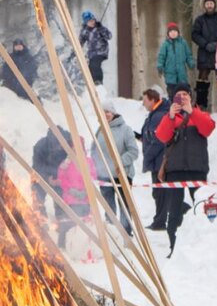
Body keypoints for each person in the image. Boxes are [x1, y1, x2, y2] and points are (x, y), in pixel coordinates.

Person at [154, 82, 214, 256]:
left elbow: (208, 128)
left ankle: (205, 245)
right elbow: (162, 136)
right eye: (179, 96)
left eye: (185, 95)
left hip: (197, 168)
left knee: (203, 207)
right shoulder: (170, 117)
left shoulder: (199, 114)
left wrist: (192, 111)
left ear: (191, 96)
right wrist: (170, 117)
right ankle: (173, 247)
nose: (182, 98)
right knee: (173, 210)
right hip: (175, 170)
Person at [92, 99, 139, 232]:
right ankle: (112, 233)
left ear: (113, 113)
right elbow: (94, 149)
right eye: (102, 112)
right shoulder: (100, 130)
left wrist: (119, 162)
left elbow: (133, 152)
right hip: (104, 175)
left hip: (122, 174)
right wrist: (95, 165)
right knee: (108, 206)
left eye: (107, 111)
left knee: (124, 205)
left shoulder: (125, 130)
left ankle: (126, 232)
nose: (105, 114)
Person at [138, 88, 170, 230]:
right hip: (156, 160)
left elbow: (158, 140)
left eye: (145, 100)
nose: (143, 103)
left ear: (152, 100)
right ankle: (160, 219)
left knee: (160, 193)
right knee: (158, 192)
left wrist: (148, 157)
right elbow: (149, 136)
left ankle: (160, 221)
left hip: (159, 161)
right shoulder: (154, 115)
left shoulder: (158, 116)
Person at [56, 135, 95, 249]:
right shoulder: (66, 163)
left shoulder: (88, 161)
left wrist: (85, 191)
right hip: (70, 199)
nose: (75, 151)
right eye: (73, 148)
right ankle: (63, 246)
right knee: (67, 223)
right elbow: (61, 178)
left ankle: (83, 247)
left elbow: (93, 176)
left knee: (84, 225)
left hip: (85, 198)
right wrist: (70, 190)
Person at [191, 0, 217, 110]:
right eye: (207, 4)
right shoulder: (199, 20)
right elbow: (195, 34)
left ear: (215, 5)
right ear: (204, 5)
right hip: (204, 53)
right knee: (202, 80)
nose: (209, 5)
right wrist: (206, 44)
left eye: (211, 3)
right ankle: (201, 105)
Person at [31, 127, 69, 220]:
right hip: (40, 176)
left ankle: (61, 220)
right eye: (58, 145)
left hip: (59, 177)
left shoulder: (67, 142)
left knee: (60, 198)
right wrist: (48, 179)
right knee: (38, 197)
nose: (60, 147)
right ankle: (41, 221)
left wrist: (61, 177)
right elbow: (38, 167)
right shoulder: (40, 147)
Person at [156, 22, 195, 98]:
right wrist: (160, 66)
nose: (173, 33)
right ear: (168, 34)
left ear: (178, 33)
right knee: (171, 91)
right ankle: (172, 105)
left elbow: (188, 55)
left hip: (181, 72)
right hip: (170, 73)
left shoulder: (183, 43)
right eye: (171, 32)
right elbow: (161, 56)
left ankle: (183, 105)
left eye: (175, 31)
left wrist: (191, 63)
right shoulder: (165, 44)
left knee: (183, 89)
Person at [79, 11, 112, 85]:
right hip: (92, 53)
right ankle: (92, 83)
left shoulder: (99, 28)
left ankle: (98, 81)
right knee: (90, 67)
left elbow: (109, 36)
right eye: (90, 21)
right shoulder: (84, 31)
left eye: (93, 20)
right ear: (86, 22)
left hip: (101, 51)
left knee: (95, 64)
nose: (92, 22)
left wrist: (101, 28)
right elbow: (80, 42)